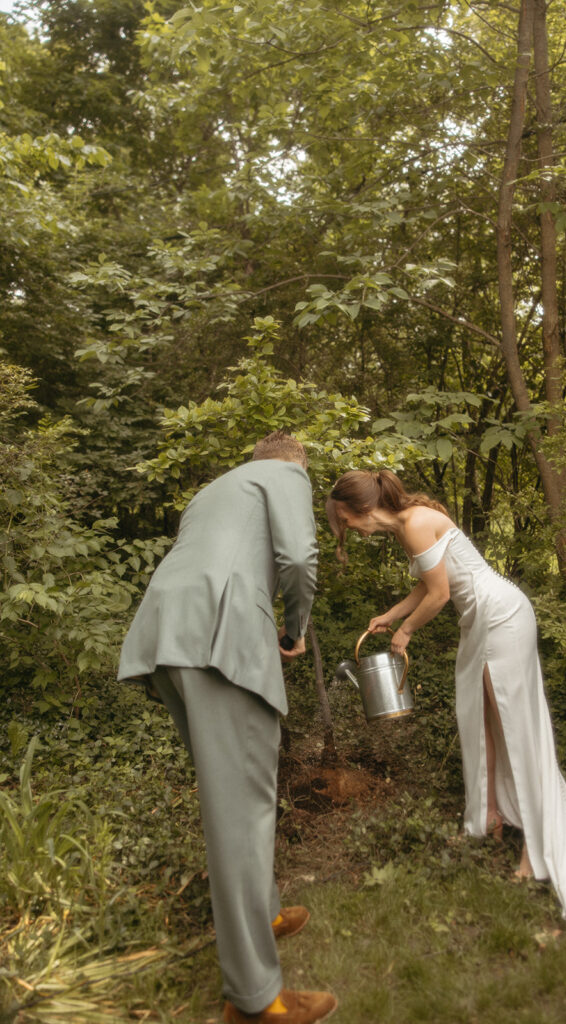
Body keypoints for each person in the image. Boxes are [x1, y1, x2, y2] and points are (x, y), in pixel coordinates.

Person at [326, 468, 566, 976]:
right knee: (485, 719)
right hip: (487, 621)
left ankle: (535, 852)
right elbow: (433, 585)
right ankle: (488, 819)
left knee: (515, 729)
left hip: (501, 619)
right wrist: (390, 615)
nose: (352, 532)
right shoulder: (411, 523)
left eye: (345, 522)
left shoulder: (413, 522)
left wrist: (404, 633)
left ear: (361, 509)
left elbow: (440, 597)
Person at [118, 431, 337, 1024]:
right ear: (294, 462)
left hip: (168, 634)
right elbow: (297, 559)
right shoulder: (286, 475)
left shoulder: (213, 490)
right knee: (241, 809)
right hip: (220, 636)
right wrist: (294, 628)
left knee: (237, 797)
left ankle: (263, 912)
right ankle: (255, 997)